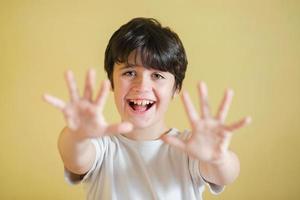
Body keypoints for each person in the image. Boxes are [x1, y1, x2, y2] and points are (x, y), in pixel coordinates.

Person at [43, 17, 251, 200]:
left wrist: (217, 158)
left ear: (176, 88)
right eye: (130, 73)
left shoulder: (189, 148)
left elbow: (226, 173)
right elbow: (75, 158)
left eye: (157, 76)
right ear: (111, 82)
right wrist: (78, 136)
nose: (141, 86)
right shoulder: (100, 147)